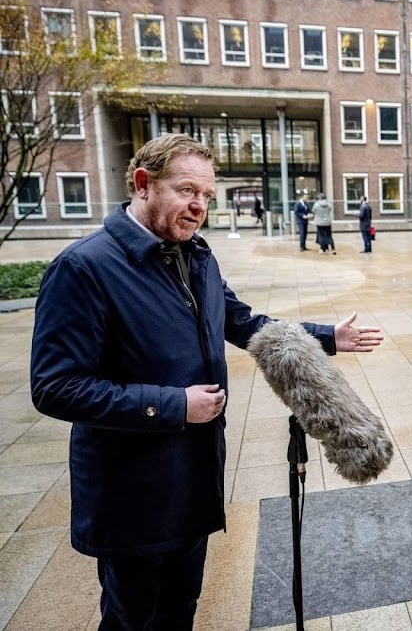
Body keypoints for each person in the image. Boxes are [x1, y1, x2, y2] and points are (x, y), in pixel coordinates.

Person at [28, 133, 384, 630]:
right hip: (133, 496)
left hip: (192, 481)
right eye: (186, 191)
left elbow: (240, 321)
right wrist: (173, 405)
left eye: (206, 197)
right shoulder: (84, 268)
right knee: (134, 620)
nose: (198, 206)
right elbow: (54, 386)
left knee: (179, 612)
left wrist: (327, 336)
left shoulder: (195, 254)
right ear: (143, 184)